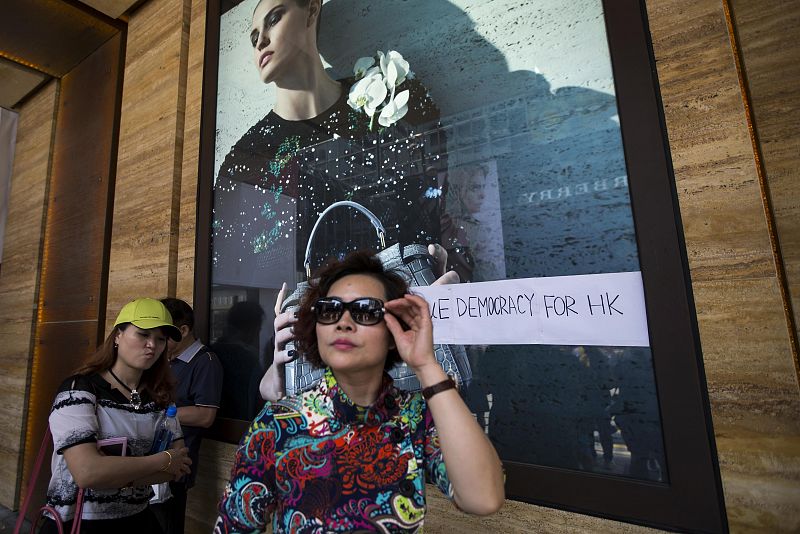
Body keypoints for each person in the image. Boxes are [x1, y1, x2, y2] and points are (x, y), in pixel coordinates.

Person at [215, 251, 504, 532]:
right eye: (329, 310)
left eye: (365, 311)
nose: (343, 322)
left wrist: (427, 364)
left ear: (393, 333)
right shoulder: (277, 425)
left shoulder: (416, 417)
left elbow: (483, 498)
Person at [42, 298, 192, 534]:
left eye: (160, 339)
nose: (152, 345)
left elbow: (178, 465)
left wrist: (112, 474)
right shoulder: (80, 389)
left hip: (139, 520)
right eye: (143, 334)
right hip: (79, 522)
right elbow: (87, 472)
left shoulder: (161, 397)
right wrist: (160, 460)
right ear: (117, 336)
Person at [150, 298, 223, 534]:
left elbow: (205, 416)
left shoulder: (205, 362)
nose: (155, 343)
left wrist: (157, 414)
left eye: (164, 337)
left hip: (175, 467)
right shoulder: (165, 360)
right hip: (149, 463)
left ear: (183, 330)